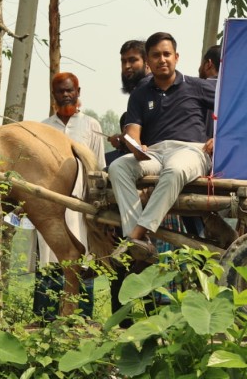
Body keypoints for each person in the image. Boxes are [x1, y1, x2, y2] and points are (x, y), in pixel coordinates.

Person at [108, 32, 215, 260]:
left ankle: (136, 235)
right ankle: (141, 241)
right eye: (156, 55)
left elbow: (234, 109)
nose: (162, 59)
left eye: (167, 54)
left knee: (175, 169)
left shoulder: (197, 86)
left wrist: (221, 138)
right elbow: (133, 132)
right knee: (118, 167)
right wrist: (135, 146)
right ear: (148, 61)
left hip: (191, 151)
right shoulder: (140, 94)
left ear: (176, 57)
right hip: (155, 154)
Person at [32, 72, 106, 321]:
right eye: (60, 91)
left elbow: (98, 168)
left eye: (69, 90)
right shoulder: (42, 128)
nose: (65, 95)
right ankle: (46, 318)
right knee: (48, 256)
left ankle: (81, 318)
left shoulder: (91, 126)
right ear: (53, 95)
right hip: (49, 203)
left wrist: (95, 208)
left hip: (81, 204)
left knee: (82, 256)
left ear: (78, 92)